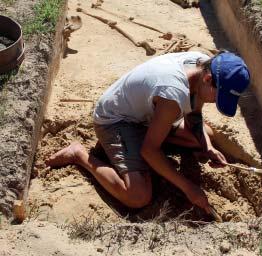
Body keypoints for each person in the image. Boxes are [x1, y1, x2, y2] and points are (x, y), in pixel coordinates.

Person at [46, 51, 250, 214]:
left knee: (204, 136)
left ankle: (135, 148)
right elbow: (149, 151)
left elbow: (194, 116)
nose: (216, 102)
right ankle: (79, 155)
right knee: (138, 197)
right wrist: (189, 188)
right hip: (115, 120)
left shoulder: (203, 63)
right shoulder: (172, 95)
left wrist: (208, 148)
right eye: (219, 96)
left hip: (145, 117)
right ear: (207, 78)